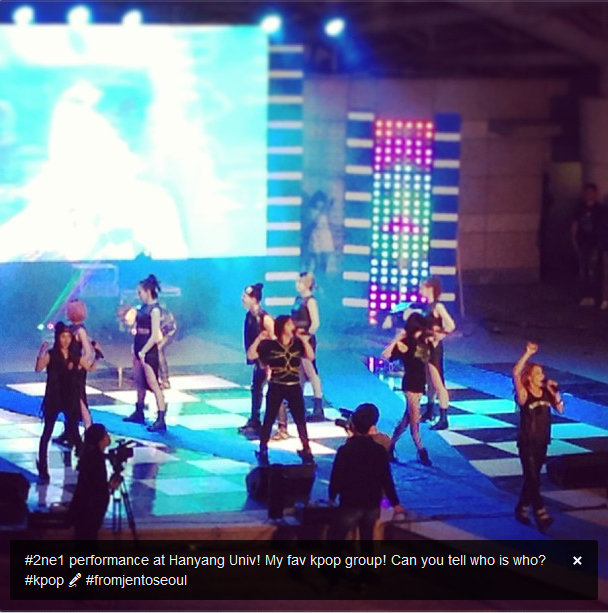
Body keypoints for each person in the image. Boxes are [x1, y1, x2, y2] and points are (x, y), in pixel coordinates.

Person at [328, 403, 404, 545]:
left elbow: (336, 475)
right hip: (372, 502)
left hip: (350, 501)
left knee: (336, 537)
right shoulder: (380, 449)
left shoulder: (346, 450)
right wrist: (395, 503)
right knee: (367, 537)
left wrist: (332, 496)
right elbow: (386, 478)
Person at [247, 315, 315, 466]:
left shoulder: (297, 343)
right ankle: (263, 448)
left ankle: (306, 449)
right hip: (276, 386)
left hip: (294, 386)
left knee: (300, 419)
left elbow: (310, 356)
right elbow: (251, 355)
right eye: (290, 324)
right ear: (283, 327)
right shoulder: (270, 345)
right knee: (269, 418)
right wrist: (258, 339)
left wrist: (305, 341)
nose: (293, 326)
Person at [512, 342, 564, 531]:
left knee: (532, 479)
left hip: (542, 442)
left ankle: (521, 509)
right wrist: (527, 354)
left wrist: (555, 392)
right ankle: (541, 513)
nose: (541, 376)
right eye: (537, 373)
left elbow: (560, 409)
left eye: (542, 373)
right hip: (527, 442)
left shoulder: (546, 393)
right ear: (530, 377)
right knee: (534, 479)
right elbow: (515, 373)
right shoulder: (524, 394)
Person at [35, 322, 92, 484]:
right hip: (54, 397)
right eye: (63, 337)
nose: (66, 340)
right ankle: (43, 467)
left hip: (69, 397)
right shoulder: (52, 354)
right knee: (47, 432)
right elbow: (38, 368)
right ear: (58, 338)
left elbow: (88, 367)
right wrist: (41, 353)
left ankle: (85, 464)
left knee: (74, 432)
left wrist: (96, 356)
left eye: (68, 337)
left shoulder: (74, 355)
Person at [382, 313, 432, 466]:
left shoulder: (423, 342)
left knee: (407, 420)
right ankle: (421, 450)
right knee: (415, 420)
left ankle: (389, 446)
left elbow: (425, 363)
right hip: (410, 384)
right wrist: (396, 339)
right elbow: (385, 355)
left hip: (420, 384)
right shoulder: (405, 344)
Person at [123, 274, 167, 432]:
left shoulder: (155, 310)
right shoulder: (142, 308)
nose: (138, 295)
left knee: (153, 384)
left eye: (140, 292)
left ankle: (161, 418)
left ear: (148, 291)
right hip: (138, 347)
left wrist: (143, 352)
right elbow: (133, 324)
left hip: (148, 351)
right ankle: (139, 411)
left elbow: (155, 335)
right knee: (139, 382)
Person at [68, 423, 120, 540]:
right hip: (89, 510)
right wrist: (108, 487)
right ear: (100, 439)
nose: (108, 437)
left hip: (86, 508)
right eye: (105, 434)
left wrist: (107, 486)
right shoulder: (95, 458)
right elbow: (95, 487)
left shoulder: (91, 455)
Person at [417, 277, 455, 430]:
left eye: (422, 287)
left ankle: (444, 418)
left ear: (430, 288)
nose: (420, 290)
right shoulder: (427, 306)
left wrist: (438, 336)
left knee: (438, 382)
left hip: (433, 349)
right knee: (428, 380)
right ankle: (429, 410)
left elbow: (450, 325)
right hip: (424, 347)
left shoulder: (438, 306)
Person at [239, 283, 274, 436]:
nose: (242, 299)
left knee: (274, 393)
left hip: (268, 361)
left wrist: (272, 364)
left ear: (254, 299)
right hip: (258, 360)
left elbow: (276, 339)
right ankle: (255, 420)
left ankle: (282, 426)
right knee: (256, 390)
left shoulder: (264, 318)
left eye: (245, 296)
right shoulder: (250, 316)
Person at [291, 272, 325, 422]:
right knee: (299, 371)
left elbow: (315, 323)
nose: (297, 285)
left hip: (306, 340)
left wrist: (307, 335)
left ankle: (318, 406)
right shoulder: (298, 299)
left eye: (299, 282)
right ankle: (299, 403)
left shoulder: (310, 301)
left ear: (307, 284)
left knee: (310, 371)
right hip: (297, 338)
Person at [571, 183, 602, 307]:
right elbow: (575, 223)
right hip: (583, 241)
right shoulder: (579, 208)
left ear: (595, 193)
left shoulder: (600, 209)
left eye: (590, 192)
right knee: (583, 269)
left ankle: (593, 296)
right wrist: (573, 238)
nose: (588, 194)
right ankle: (585, 295)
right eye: (586, 192)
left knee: (592, 270)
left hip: (595, 242)